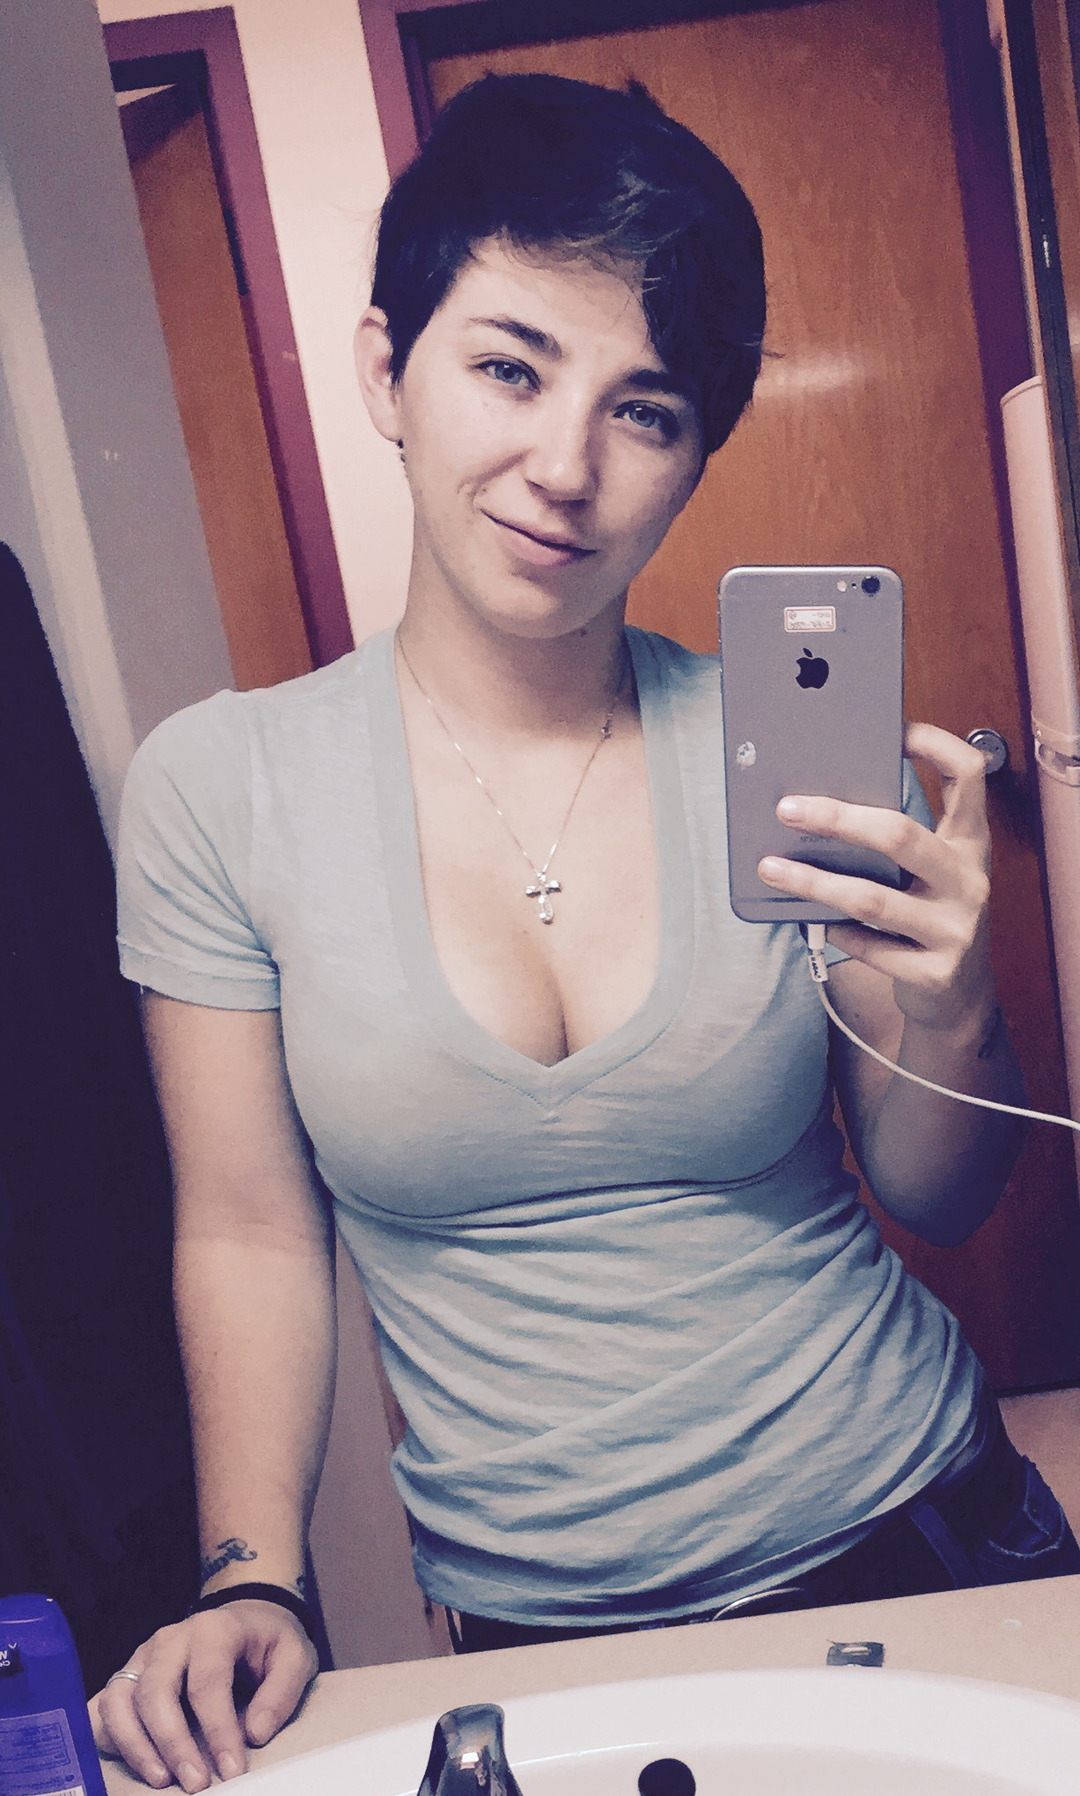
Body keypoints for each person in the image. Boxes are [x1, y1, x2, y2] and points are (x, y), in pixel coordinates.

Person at [94, 73, 1078, 1792]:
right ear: (385, 368)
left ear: (695, 459)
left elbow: (935, 1192)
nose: (565, 468)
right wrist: (251, 1574)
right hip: (548, 1634)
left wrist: (956, 1011)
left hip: (921, 1536)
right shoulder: (219, 788)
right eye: (509, 367)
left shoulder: (788, 747)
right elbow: (247, 1229)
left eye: (648, 410)